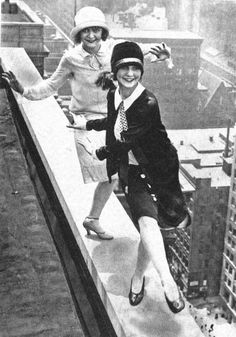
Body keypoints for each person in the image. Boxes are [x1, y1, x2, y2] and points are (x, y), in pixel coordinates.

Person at [2, 6, 172, 241]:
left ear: (102, 32)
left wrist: (160, 55)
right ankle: (94, 219)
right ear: (78, 34)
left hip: (114, 119)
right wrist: (23, 90)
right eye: (86, 31)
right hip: (85, 120)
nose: (91, 36)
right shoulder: (71, 58)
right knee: (111, 175)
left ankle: (97, 219)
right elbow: (50, 86)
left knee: (125, 170)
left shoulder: (114, 48)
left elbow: (141, 53)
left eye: (95, 30)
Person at [68, 41, 191, 312]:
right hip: (134, 169)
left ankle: (138, 277)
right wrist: (87, 124)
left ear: (141, 71)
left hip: (160, 170)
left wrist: (98, 151)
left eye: (136, 68)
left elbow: (122, 140)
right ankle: (167, 281)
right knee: (147, 223)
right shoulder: (114, 95)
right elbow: (113, 123)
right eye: (124, 67)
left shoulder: (147, 102)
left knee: (153, 226)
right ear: (115, 70)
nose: (131, 73)